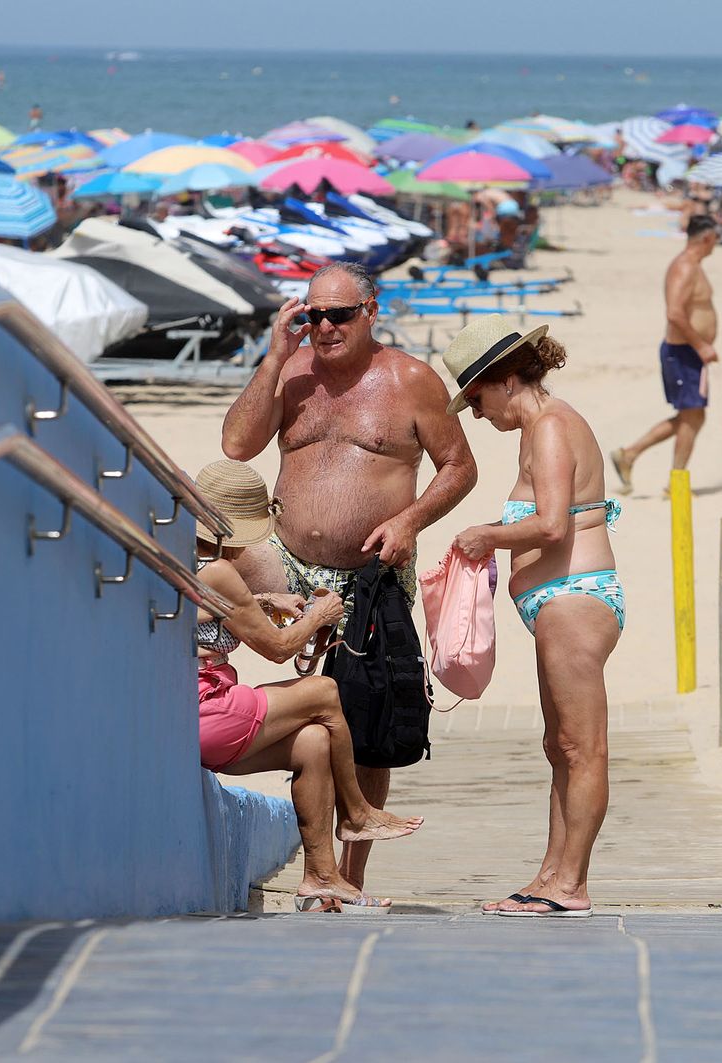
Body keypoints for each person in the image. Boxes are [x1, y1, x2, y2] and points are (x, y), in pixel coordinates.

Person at [221, 262, 477, 892]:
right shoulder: (292, 374)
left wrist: (412, 519)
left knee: (367, 719)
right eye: (314, 315)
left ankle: (350, 873)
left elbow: (458, 467)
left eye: (339, 314)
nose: (326, 327)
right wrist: (276, 355)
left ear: (371, 310)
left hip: (372, 567)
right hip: (287, 567)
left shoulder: (411, 380)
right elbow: (236, 445)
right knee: (309, 712)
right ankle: (319, 868)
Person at [444, 316, 623, 918]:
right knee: (560, 745)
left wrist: (484, 536)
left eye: (475, 398)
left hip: (574, 598)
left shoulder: (549, 427)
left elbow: (552, 525)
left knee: (582, 747)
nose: (474, 413)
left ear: (503, 379)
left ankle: (571, 886)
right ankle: (551, 875)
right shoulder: (543, 427)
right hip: (558, 601)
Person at [190, 459, 424, 913]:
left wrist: (258, 600)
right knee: (323, 692)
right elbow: (279, 649)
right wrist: (319, 617)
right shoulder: (218, 571)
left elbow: (198, 612)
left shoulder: (180, 559)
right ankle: (356, 813)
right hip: (204, 709)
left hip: (189, 714)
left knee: (313, 741)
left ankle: (321, 874)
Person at [609, 214, 720, 497]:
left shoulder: (694, 266)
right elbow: (674, 312)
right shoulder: (684, 267)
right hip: (683, 351)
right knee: (692, 416)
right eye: (716, 238)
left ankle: (631, 455)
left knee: (692, 416)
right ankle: (673, 480)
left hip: (689, 352)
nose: (717, 244)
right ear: (707, 238)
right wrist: (701, 345)